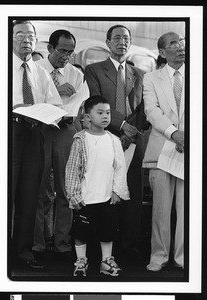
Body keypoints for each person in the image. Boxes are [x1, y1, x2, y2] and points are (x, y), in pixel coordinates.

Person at [84, 25, 147, 262]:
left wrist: (130, 133)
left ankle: (129, 247)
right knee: (102, 193)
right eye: (117, 38)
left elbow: (143, 109)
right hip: (104, 140)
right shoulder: (94, 70)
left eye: (126, 39)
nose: (122, 42)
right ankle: (99, 248)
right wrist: (121, 127)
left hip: (132, 143)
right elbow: (95, 102)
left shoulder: (139, 73)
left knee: (130, 194)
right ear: (108, 42)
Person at [12, 20, 63, 269]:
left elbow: (56, 104)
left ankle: (22, 251)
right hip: (8, 132)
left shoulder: (40, 72)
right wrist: (15, 108)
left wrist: (49, 113)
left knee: (30, 195)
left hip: (35, 133)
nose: (26, 39)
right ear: (9, 38)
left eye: (31, 35)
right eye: (20, 34)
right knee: (3, 194)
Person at [33, 29, 87, 259]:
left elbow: (79, 103)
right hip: (41, 129)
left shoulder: (75, 74)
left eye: (70, 52)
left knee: (66, 189)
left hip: (65, 130)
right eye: (62, 50)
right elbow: (32, 100)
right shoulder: (36, 70)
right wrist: (55, 90)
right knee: (38, 187)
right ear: (50, 49)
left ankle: (62, 243)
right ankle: (37, 243)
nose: (66, 56)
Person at [65, 95, 130, 277]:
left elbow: (120, 167)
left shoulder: (113, 140)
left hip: (106, 196)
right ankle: (81, 260)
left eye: (108, 113)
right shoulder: (80, 140)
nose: (105, 116)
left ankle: (106, 260)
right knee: (81, 230)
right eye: (100, 112)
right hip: (85, 197)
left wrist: (117, 191)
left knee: (107, 230)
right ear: (87, 117)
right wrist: (74, 195)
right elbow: (72, 169)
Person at [142, 31, 185, 271]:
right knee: (160, 208)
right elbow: (152, 111)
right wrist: (174, 133)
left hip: (191, 148)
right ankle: (158, 256)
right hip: (161, 148)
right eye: (174, 43)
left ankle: (182, 257)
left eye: (182, 42)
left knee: (187, 207)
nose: (180, 46)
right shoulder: (151, 78)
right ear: (161, 52)